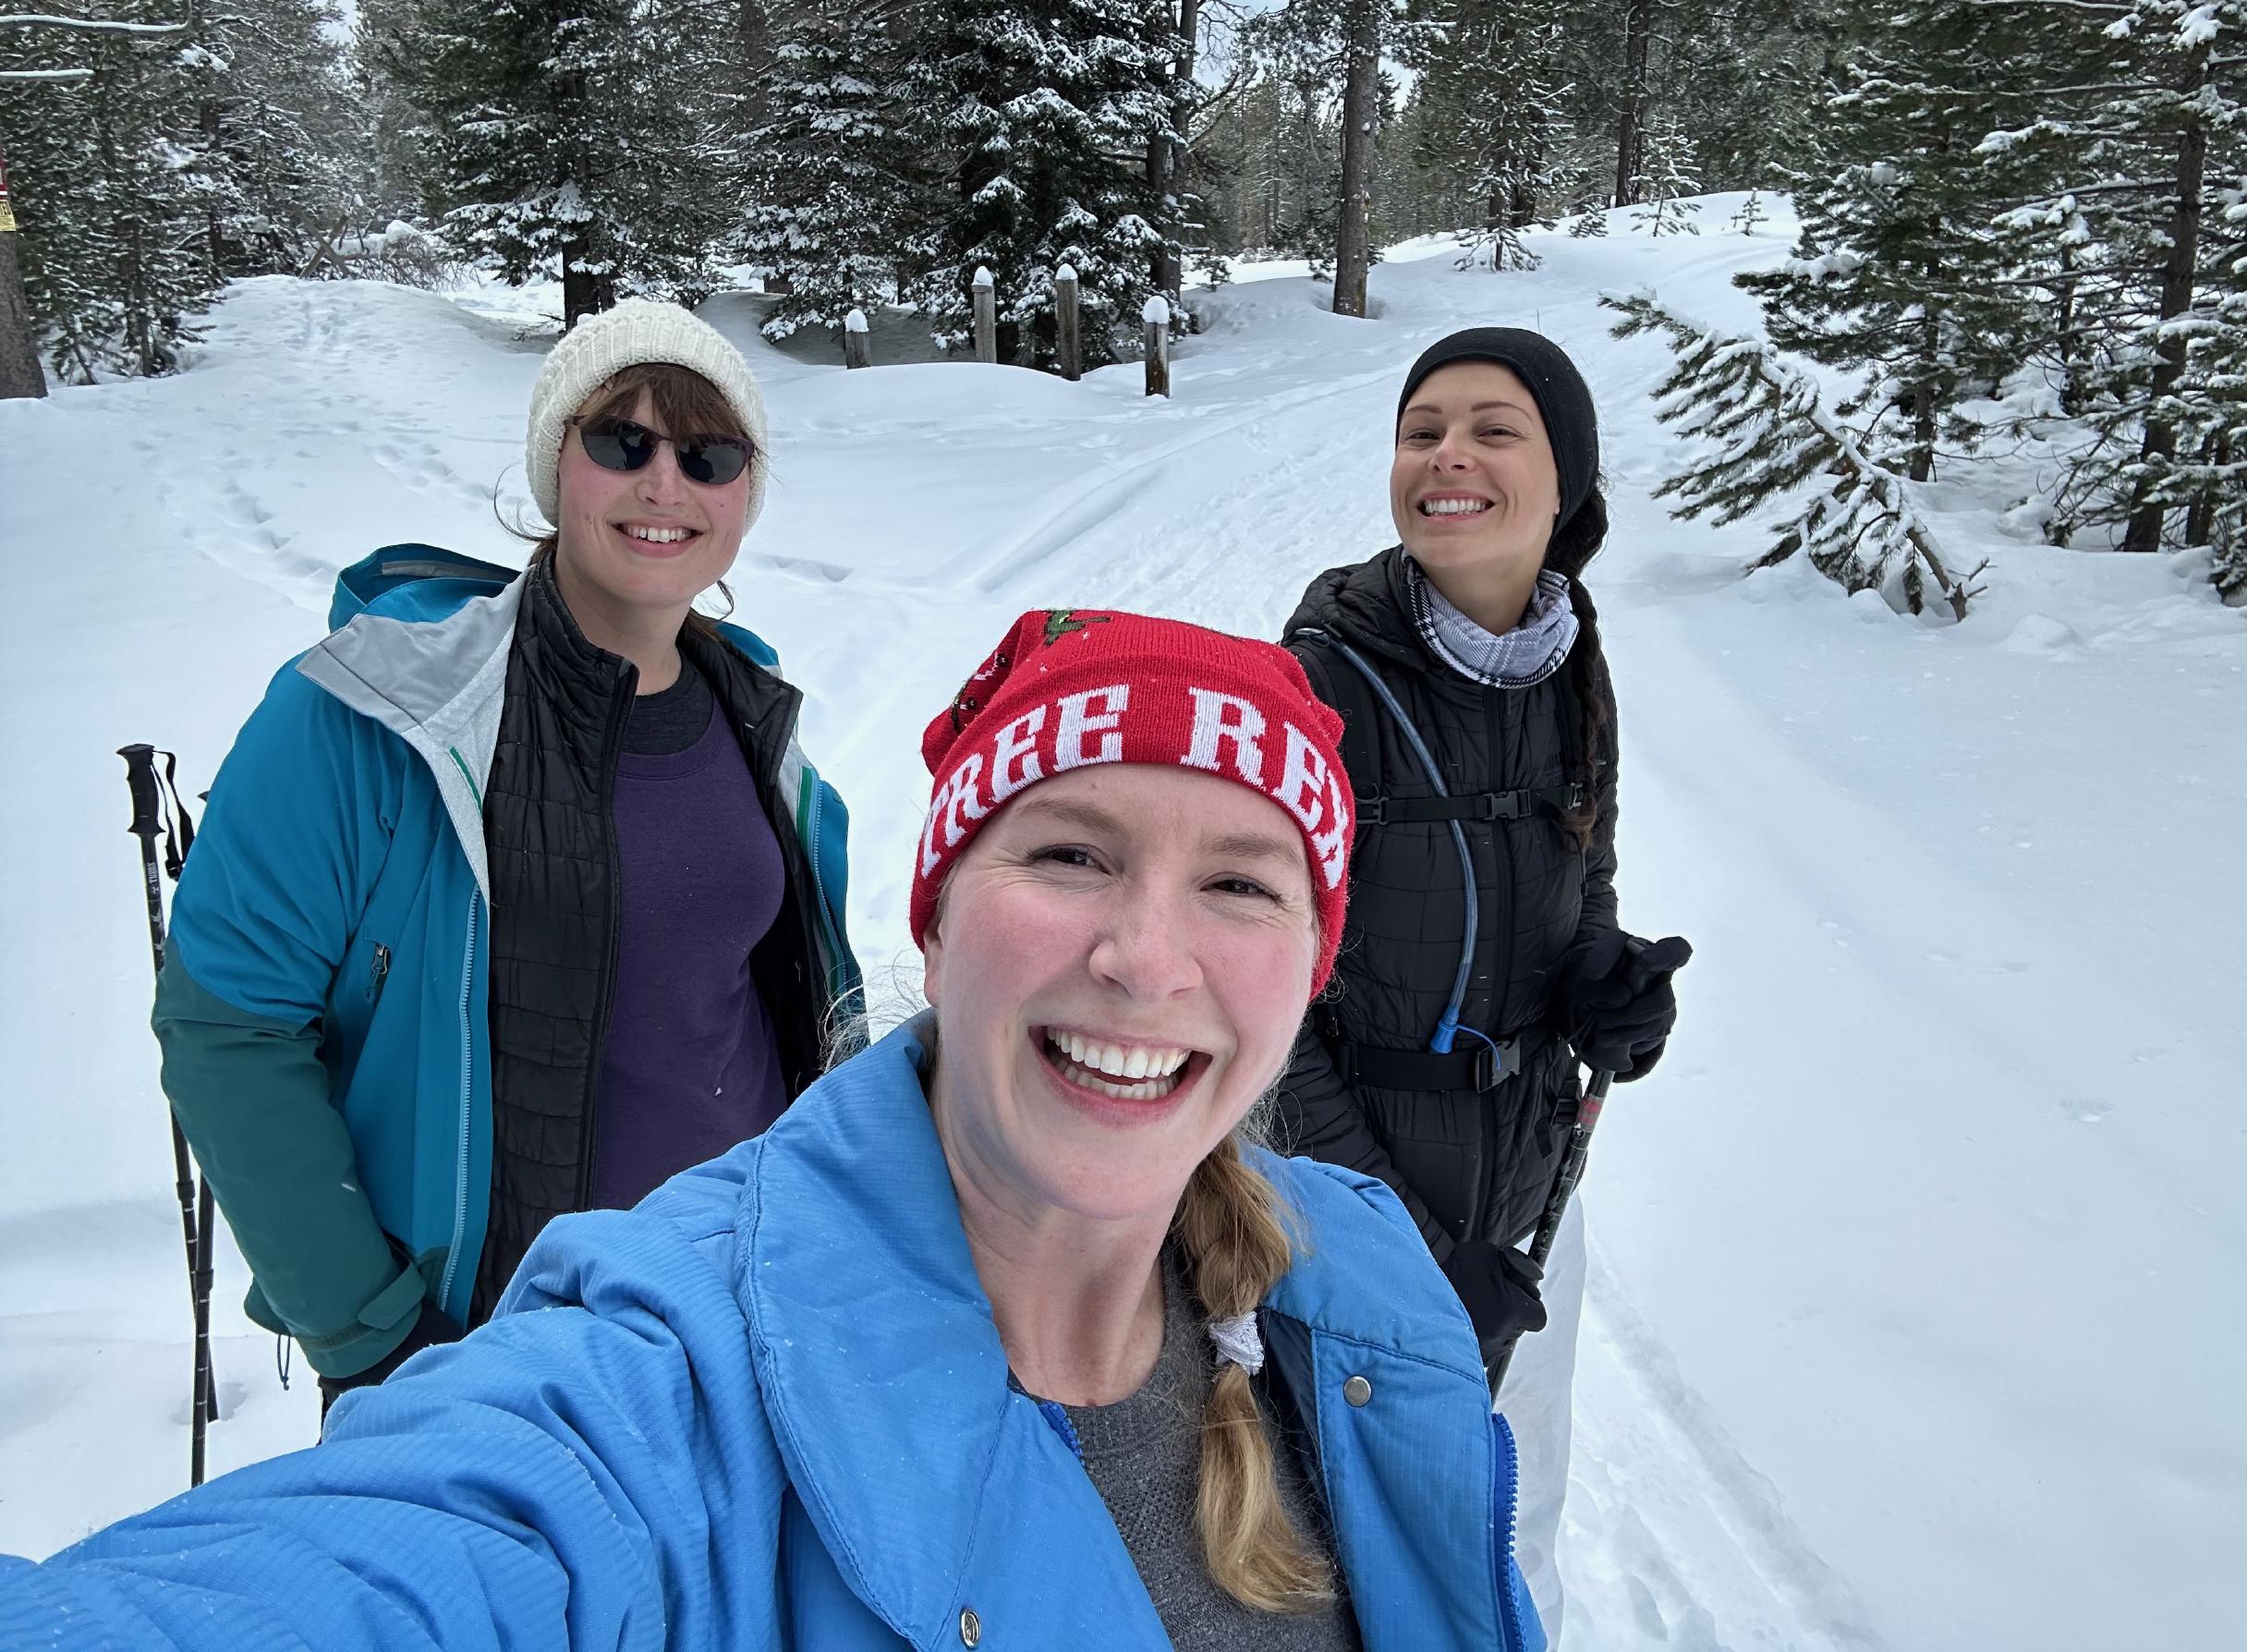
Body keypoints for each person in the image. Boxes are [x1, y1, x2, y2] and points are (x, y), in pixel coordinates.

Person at [1, 609, 1545, 1652]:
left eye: (1240, 882)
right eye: (1071, 852)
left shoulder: (1358, 1289)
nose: (1147, 955)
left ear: (1310, 968)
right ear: (936, 931)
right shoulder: (670, 1386)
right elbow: (422, 1552)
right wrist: (365, 1320)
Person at [148, 298, 863, 1410]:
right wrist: (370, 1336)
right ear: (555, 465)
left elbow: (780, 1009)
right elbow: (225, 1028)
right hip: (493, 1355)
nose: (663, 483)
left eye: (708, 454)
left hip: (741, 1321)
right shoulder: (378, 713)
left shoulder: (752, 710)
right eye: (620, 441)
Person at [1276, 327, 1691, 1366]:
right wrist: (1407, 1251)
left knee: (1513, 1518)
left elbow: (1584, 875)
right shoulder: (1315, 688)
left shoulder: (1568, 668)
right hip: (1339, 1235)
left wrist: (1609, 994)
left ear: (1566, 485)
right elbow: (1258, 1016)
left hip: (1528, 1219)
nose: (1444, 454)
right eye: (1421, 431)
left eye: (1492, 431)